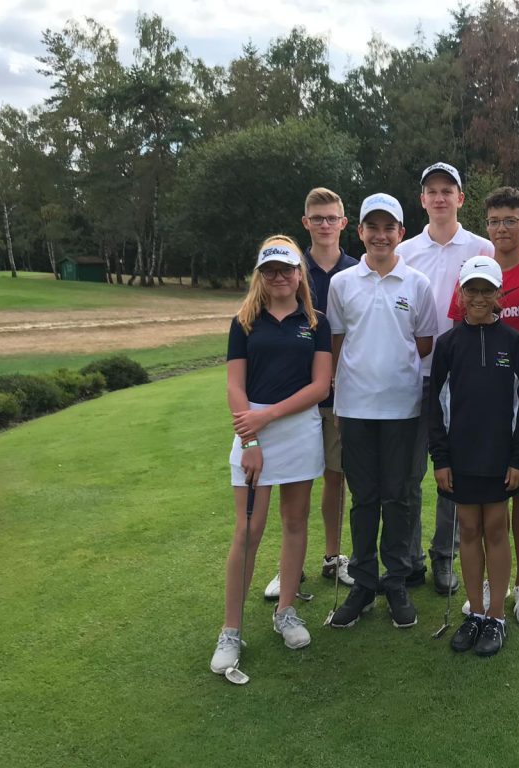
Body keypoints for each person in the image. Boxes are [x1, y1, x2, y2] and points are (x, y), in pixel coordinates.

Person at [210, 236, 332, 675]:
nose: (279, 277)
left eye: (286, 269)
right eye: (270, 271)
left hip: (298, 429)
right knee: (249, 529)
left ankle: (285, 612)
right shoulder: (244, 322)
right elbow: (235, 386)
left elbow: (320, 386)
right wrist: (251, 440)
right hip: (253, 432)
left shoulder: (315, 323)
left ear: (299, 274)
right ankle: (231, 629)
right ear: (260, 276)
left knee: (295, 522)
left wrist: (269, 417)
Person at [446, 186, 519, 625]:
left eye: (510, 220)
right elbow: (459, 339)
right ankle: (492, 585)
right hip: (480, 411)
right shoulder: (475, 274)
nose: (501, 229)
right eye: (493, 221)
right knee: (485, 507)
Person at [326, 194, 438, 629]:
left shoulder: (418, 284)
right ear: (359, 232)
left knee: (398, 497)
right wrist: (343, 394)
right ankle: (364, 582)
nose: (380, 235)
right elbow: (338, 341)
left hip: (402, 407)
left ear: (400, 233)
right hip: (355, 407)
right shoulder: (342, 284)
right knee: (364, 498)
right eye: (372, 227)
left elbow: (423, 342)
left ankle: (395, 581)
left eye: (388, 227)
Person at [430, 255, 519, 656]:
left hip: (500, 458)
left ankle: (496, 617)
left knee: (495, 529)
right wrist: (441, 459)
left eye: (486, 290)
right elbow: (436, 407)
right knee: (469, 531)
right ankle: (475, 612)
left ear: (498, 294)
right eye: (471, 290)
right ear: (461, 294)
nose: (478, 297)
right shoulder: (448, 345)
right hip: (460, 458)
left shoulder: (515, 343)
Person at [397, 162, 494, 596]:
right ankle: (409, 559)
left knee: (451, 473)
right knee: (410, 472)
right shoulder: (405, 250)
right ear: (422, 200)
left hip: (460, 377)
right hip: (412, 373)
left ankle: (444, 556)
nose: (439, 197)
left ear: (460, 198)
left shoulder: (481, 247)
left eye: (447, 190)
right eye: (432, 191)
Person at [262, 188, 358, 601]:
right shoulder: (289, 268)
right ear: (306, 223)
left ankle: (333, 557)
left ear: (343, 223)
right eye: (317, 218)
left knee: (335, 476)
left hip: (340, 396)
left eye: (331, 217)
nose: (324, 224)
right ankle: (290, 567)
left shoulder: (356, 270)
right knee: (291, 481)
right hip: (293, 397)